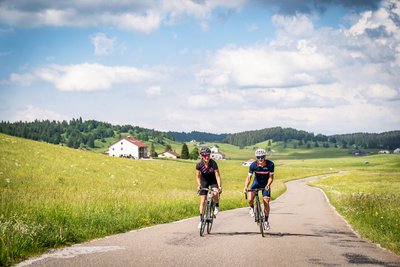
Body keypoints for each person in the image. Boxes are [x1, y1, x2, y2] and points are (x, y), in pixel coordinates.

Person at [243, 148, 274, 231]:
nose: (260, 159)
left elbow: (271, 177)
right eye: (258, 157)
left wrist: (268, 185)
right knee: (250, 199)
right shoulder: (253, 165)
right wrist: (245, 187)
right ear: (256, 157)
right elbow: (249, 177)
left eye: (262, 157)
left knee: (266, 202)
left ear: (265, 157)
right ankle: (251, 207)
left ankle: (266, 221)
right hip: (256, 184)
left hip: (266, 184)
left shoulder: (270, 164)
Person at [196, 147, 222, 228]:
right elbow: (197, 176)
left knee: (215, 193)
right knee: (203, 201)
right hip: (204, 181)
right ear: (201, 156)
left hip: (213, 180)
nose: (206, 157)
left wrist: (219, 186)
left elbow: (217, 176)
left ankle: (216, 205)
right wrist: (199, 185)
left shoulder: (213, 163)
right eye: (204, 155)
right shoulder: (199, 164)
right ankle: (201, 220)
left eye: (208, 155)